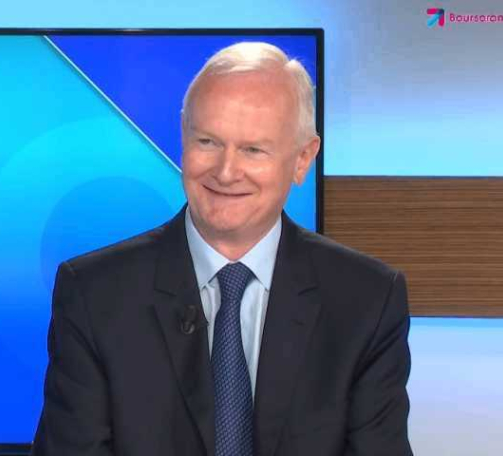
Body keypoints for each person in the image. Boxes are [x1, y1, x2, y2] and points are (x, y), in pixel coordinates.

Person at [31, 42, 412, 456]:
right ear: (183, 137)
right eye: (208, 142)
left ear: (303, 159)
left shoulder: (367, 301)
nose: (226, 172)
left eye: (253, 149)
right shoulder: (94, 295)